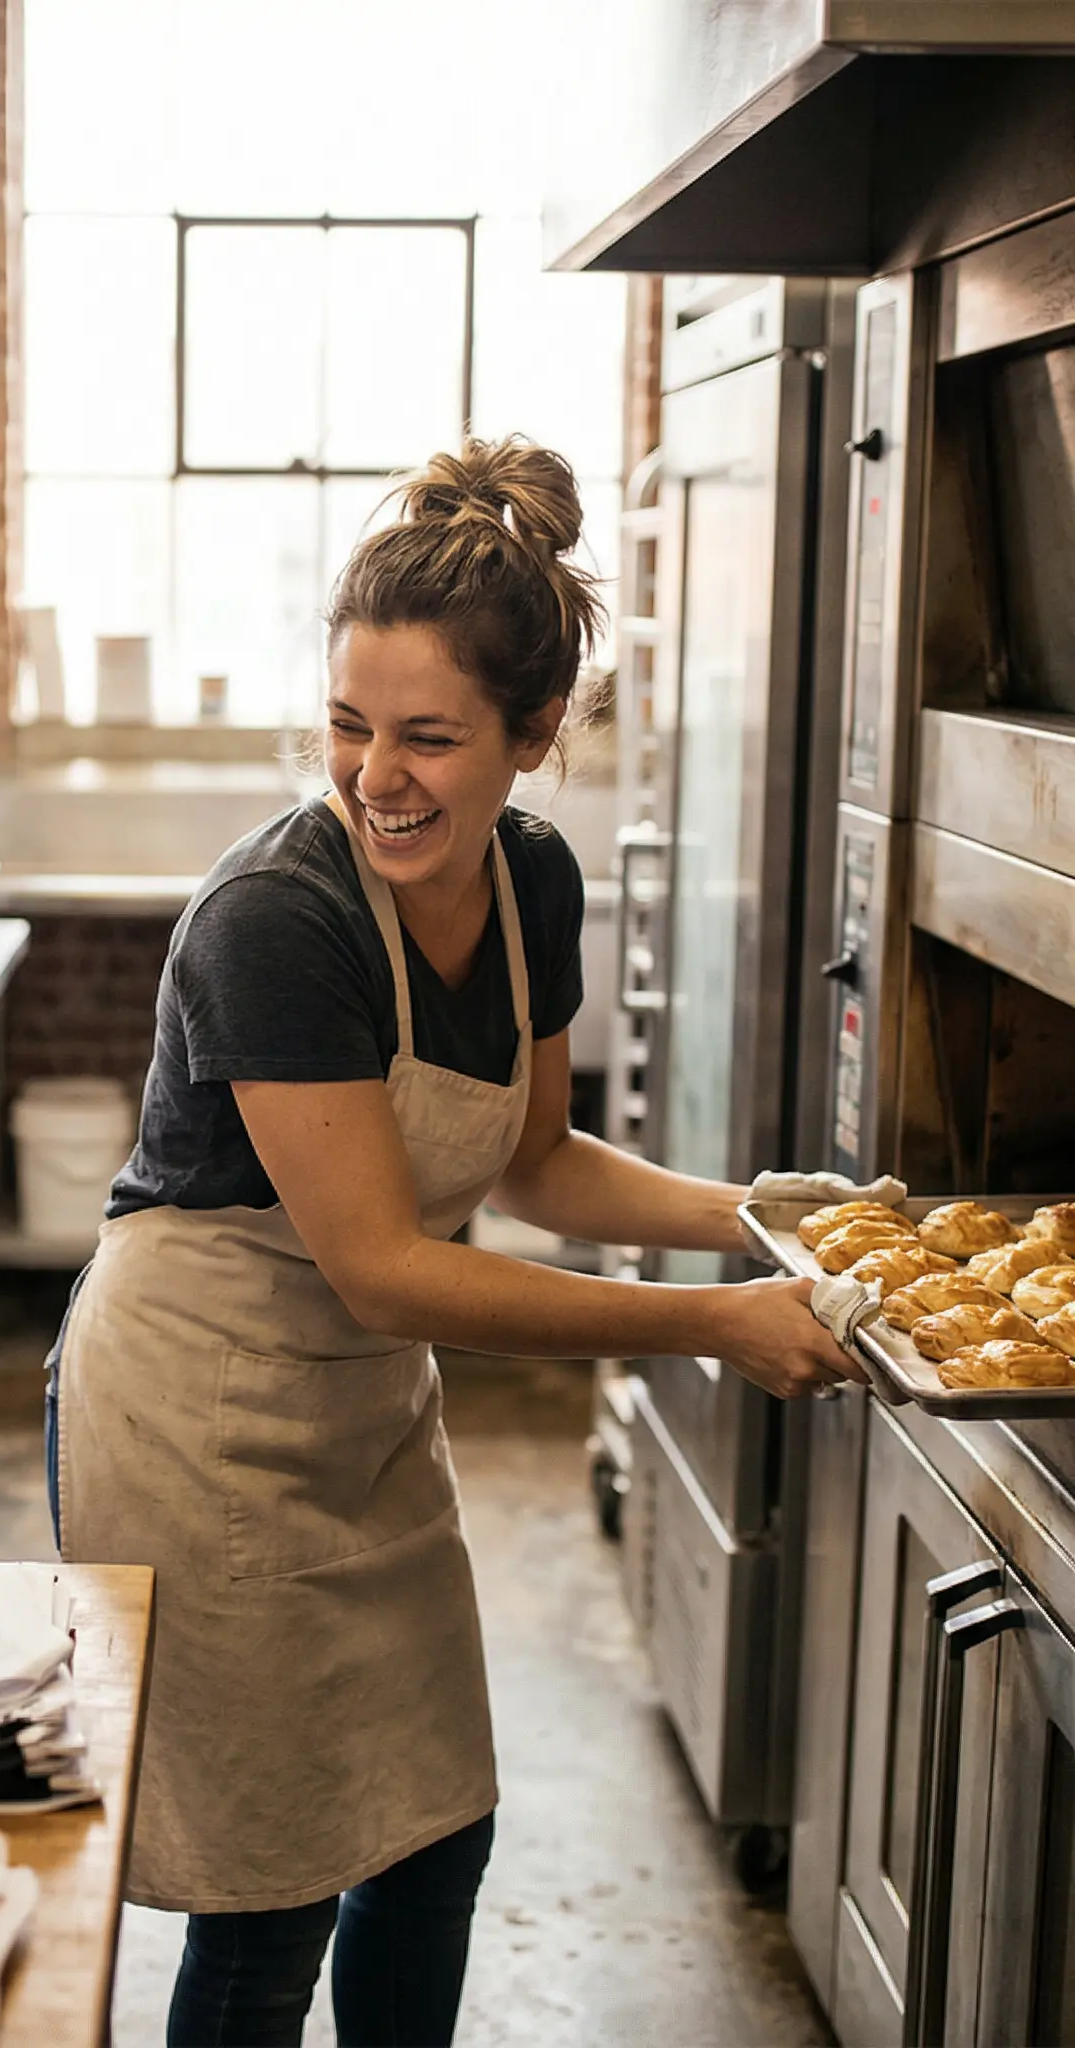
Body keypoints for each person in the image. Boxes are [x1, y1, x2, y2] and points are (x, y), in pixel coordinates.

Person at [48, 439, 861, 2048]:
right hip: (198, 1409)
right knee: (272, 1891)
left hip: (357, 1408)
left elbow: (538, 1162)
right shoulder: (273, 919)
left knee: (432, 1837)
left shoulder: (534, 879)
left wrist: (755, 1214)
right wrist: (716, 1321)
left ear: (537, 734)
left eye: (429, 736)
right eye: (349, 727)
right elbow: (388, 1266)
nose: (375, 777)